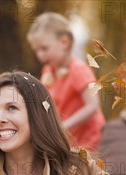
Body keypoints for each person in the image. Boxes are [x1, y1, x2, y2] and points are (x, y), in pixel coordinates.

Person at [27, 12, 105, 152]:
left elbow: (93, 105)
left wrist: (63, 126)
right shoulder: (48, 72)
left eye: (44, 48)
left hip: (90, 142)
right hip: (68, 143)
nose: (40, 55)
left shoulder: (78, 70)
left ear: (64, 42)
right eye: (36, 50)